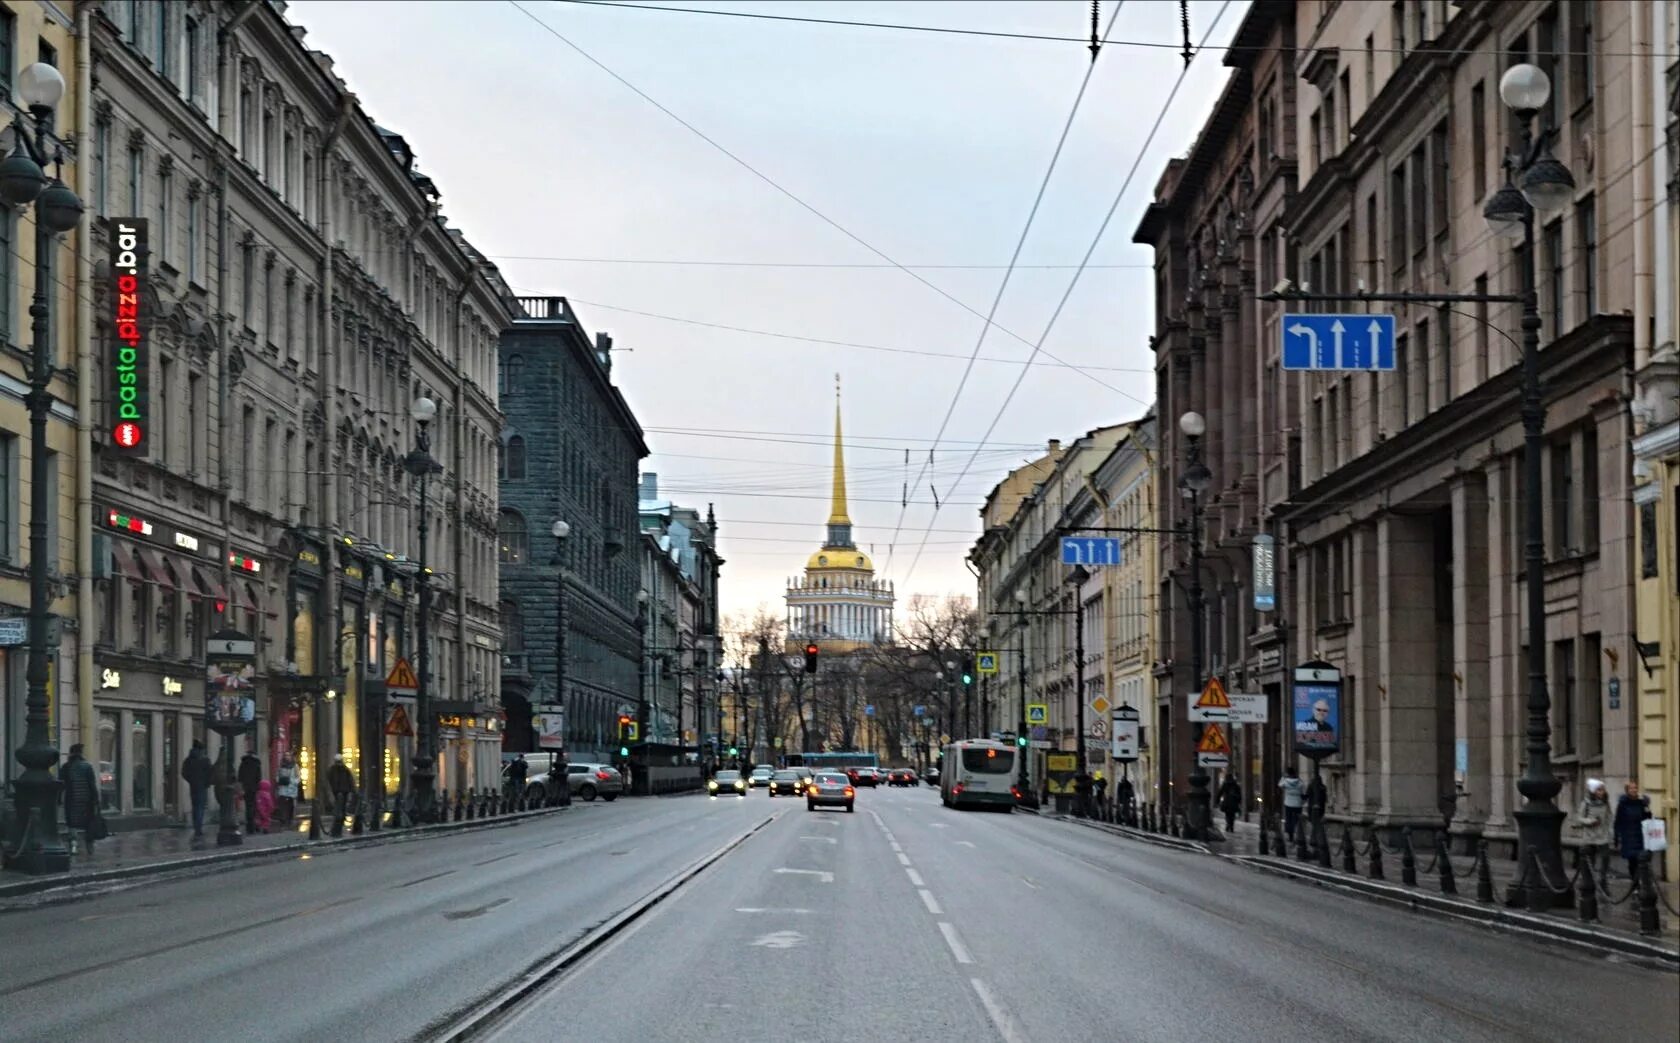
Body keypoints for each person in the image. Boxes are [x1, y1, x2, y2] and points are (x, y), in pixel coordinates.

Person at [60, 743, 100, 855]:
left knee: (72, 823)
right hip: (86, 799)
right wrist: (96, 800)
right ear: (81, 753)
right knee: (88, 823)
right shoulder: (87, 766)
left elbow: (61, 785)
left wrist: (59, 799)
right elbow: (92, 785)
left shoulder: (66, 767)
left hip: (71, 799)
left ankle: (73, 845)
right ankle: (89, 845)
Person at [1613, 780, 1652, 883]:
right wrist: (1616, 837)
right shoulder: (1623, 804)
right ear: (1627, 790)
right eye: (1631, 788)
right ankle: (1635, 884)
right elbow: (1618, 820)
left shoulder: (1641, 803)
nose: (1634, 790)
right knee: (1632, 862)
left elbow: (1648, 818)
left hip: (1641, 836)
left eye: (1635, 788)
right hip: (1628, 836)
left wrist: (1647, 806)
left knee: (1642, 861)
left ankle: (1641, 883)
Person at [1575, 778, 1612, 885]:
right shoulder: (1586, 803)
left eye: (1602, 789)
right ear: (1593, 791)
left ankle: (1603, 878)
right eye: (1599, 790)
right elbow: (1579, 818)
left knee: (1605, 857)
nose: (1601, 792)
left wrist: (1609, 829)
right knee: (1589, 859)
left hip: (1603, 835)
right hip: (1590, 836)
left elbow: (1609, 816)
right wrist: (1590, 821)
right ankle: (1588, 879)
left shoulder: (1606, 802)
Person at [181, 740, 214, 838]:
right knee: (200, 807)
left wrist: (191, 780)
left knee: (195, 807)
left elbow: (184, 773)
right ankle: (198, 828)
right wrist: (206, 783)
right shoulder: (205, 760)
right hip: (202, 786)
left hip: (193, 786)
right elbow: (210, 773)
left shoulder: (188, 760)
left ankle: (196, 826)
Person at [326, 756, 356, 830]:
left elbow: (350, 779)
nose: (339, 763)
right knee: (339, 805)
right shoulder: (332, 769)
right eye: (338, 761)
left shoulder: (345, 769)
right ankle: (339, 818)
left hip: (344, 790)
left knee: (342, 805)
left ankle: (341, 818)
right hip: (337, 790)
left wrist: (352, 789)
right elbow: (329, 780)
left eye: (339, 761)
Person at [238, 749, 263, 834]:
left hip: (245, 788)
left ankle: (249, 825)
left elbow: (240, 776)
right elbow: (259, 778)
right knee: (254, 806)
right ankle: (254, 825)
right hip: (254, 788)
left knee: (248, 806)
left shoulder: (243, 763)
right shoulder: (257, 763)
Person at [1278, 766, 1305, 840]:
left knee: (1288, 819)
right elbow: (1303, 791)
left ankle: (1290, 835)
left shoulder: (1286, 781)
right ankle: (1297, 833)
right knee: (1297, 820)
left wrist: (1283, 777)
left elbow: (1280, 785)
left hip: (1288, 803)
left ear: (1288, 773)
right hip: (1297, 804)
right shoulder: (1299, 782)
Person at [275, 754, 298, 825]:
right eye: (286, 756)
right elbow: (277, 775)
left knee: (291, 805)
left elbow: (298, 777)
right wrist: (279, 780)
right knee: (282, 804)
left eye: (288, 756)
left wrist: (291, 781)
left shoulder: (295, 766)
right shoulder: (281, 766)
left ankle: (290, 818)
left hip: (291, 788)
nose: (287, 757)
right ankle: (283, 819)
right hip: (283, 788)